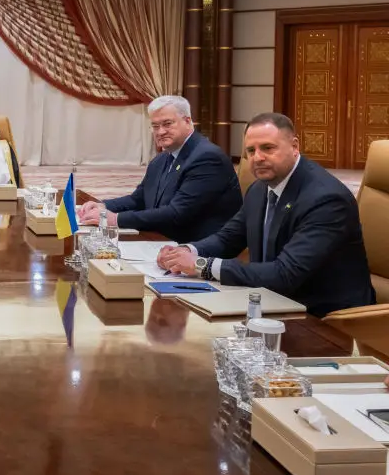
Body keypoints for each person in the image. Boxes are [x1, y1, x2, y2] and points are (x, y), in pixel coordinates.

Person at [158, 112, 374, 317]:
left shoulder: (326, 199)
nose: (257, 158)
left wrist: (200, 265)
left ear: (295, 146)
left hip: (322, 317)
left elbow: (285, 274)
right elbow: (229, 238)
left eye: (268, 148)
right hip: (271, 301)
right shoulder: (261, 187)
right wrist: (185, 251)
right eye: (250, 151)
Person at [79, 95, 241, 243]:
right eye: (155, 126)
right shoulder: (162, 158)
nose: (161, 132)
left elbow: (177, 213)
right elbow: (139, 199)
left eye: (167, 124)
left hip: (198, 248)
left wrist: (116, 219)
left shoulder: (207, 158)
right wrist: (104, 206)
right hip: (163, 239)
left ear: (187, 121)